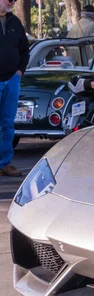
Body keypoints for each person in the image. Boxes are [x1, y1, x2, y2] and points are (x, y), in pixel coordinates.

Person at [0, 0, 29, 176]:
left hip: (12, 80)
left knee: (8, 124)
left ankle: (5, 163)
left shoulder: (15, 22)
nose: (12, 2)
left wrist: (19, 72)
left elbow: (25, 50)